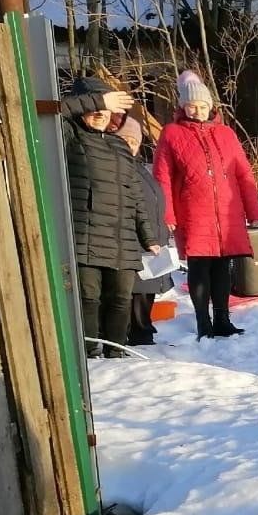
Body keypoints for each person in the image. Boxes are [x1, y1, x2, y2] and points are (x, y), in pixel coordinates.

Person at [153, 71, 258, 339]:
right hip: (193, 212)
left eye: (203, 106)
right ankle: (204, 322)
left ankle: (223, 319)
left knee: (223, 269)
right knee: (200, 268)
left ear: (211, 106)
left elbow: (243, 173)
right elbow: (162, 176)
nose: (198, 111)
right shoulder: (171, 133)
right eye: (192, 105)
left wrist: (254, 212)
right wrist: (166, 212)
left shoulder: (226, 134)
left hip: (227, 213)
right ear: (182, 106)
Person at [60, 79, 164, 357]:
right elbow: (55, 112)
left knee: (120, 300)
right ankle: (90, 352)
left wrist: (149, 237)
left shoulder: (119, 147)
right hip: (87, 236)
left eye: (106, 110)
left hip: (123, 238)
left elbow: (136, 197)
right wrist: (98, 101)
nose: (101, 115)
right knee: (89, 298)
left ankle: (116, 353)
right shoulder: (69, 136)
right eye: (96, 107)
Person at [116, 116, 171, 346]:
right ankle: (138, 333)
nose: (130, 144)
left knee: (147, 288)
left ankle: (143, 330)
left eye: (134, 140)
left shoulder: (138, 167)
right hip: (133, 238)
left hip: (151, 236)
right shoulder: (119, 168)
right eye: (124, 139)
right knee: (136, 290)